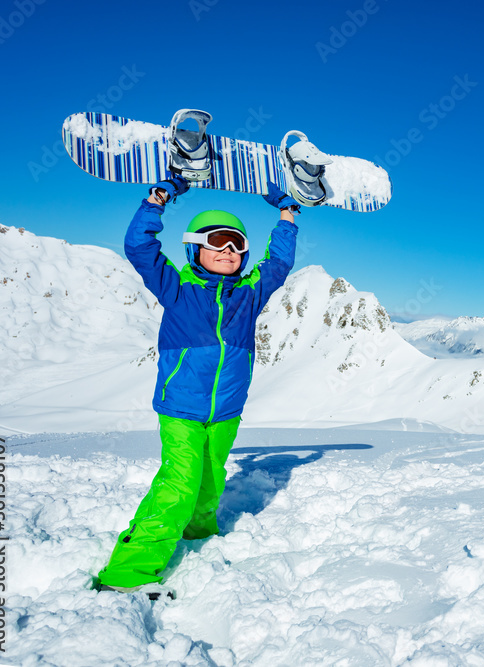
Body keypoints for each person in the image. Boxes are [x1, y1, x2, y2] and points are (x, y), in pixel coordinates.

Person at [96, 174, 301, 594]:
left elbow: (279, 263)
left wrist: (286, 215)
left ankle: (198, 533)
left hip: (226, 409)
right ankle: (126, 574)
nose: (227, 251)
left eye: (236, 244)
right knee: (179, 482)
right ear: (194, 248)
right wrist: (158, 200)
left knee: (210, 480)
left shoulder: (250, 292)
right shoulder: (179, 288)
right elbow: (140, 248)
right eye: (216, 242)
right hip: (181, 408)